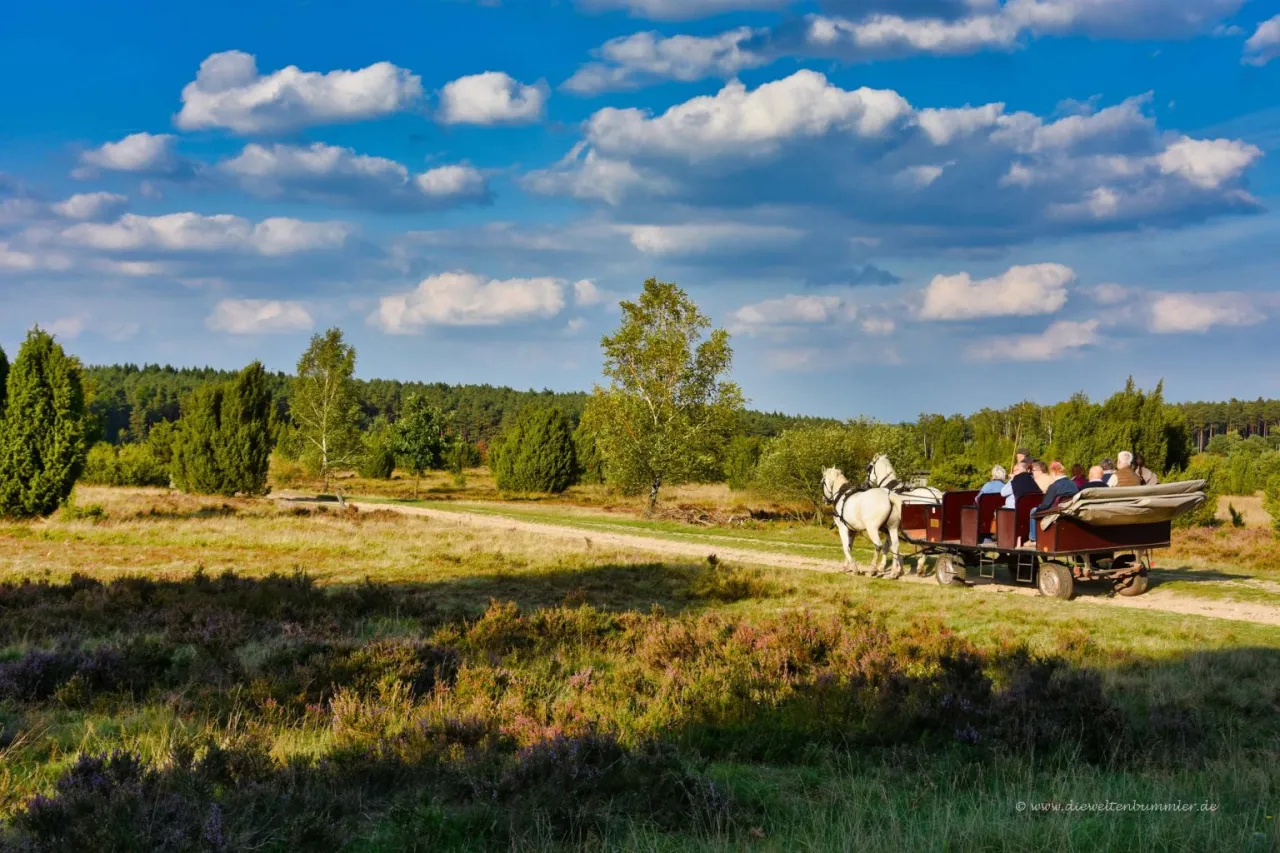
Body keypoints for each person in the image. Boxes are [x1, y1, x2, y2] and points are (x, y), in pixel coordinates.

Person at [1029, 461, 1079, 542]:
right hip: (1070, 512)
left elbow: (1045, 505)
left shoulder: (1054, 486)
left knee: (1033, 510)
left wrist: (1038, 508)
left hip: (1056, 512)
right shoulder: (1073, 484)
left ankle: (1033, 539)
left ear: (1053, 472)